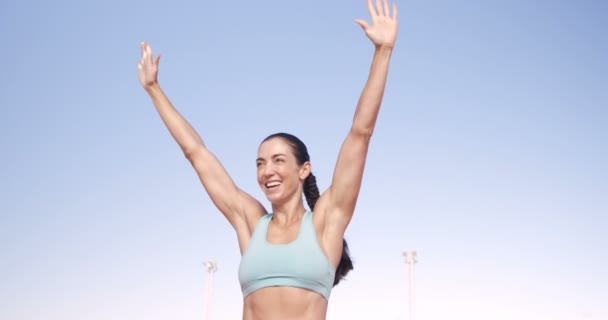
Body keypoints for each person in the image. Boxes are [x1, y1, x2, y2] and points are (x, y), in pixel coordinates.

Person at [137, 0, 398, 318]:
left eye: (277, 160)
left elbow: (360, 133)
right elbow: (197, 153)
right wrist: (154, 90)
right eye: (260, 163)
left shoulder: (325, 223)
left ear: (304, 169)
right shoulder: (251, 223)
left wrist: (382, 52)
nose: (267, 171)